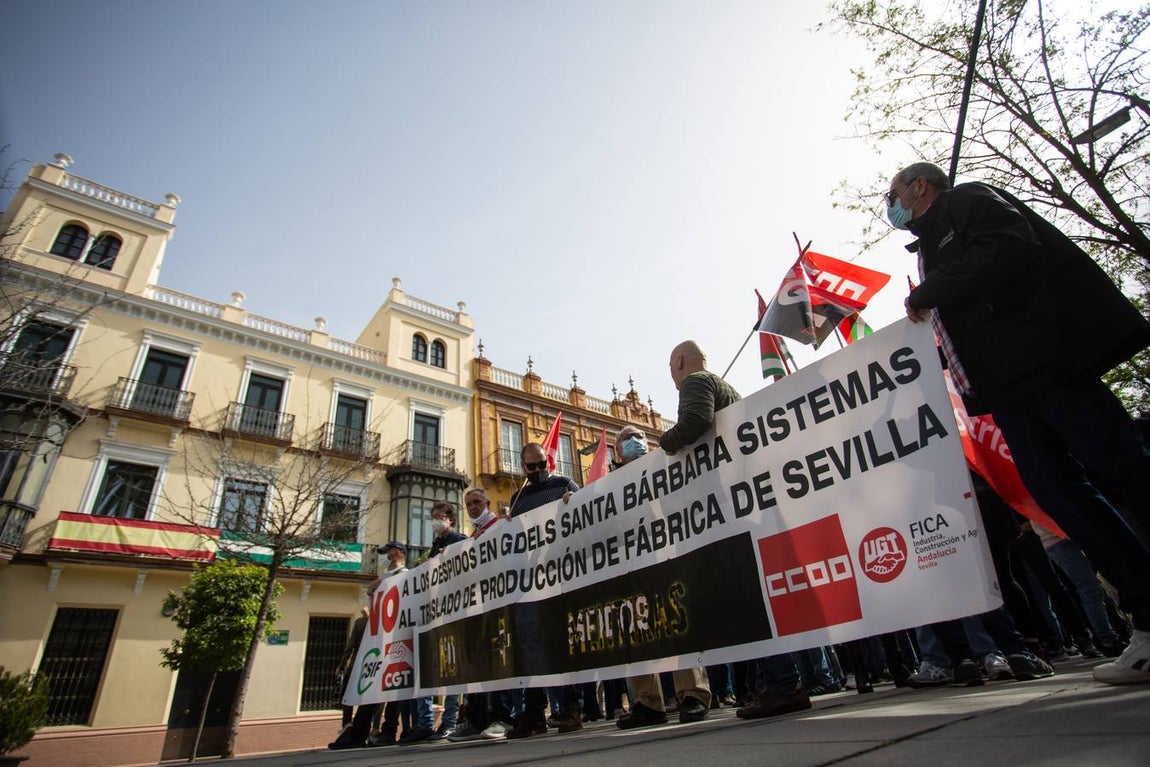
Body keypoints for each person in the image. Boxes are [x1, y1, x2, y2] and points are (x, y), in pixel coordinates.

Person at [889, 160, 1150, 685]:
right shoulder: (933, 243)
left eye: (892, 194)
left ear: (920, 187)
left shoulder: (968, 202)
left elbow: (1011, 248)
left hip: (1048, 366)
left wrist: (931, 291)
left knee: (1124, 470)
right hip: (1006, 392)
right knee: (1063, 497)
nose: (890, 206)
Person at [660, 340, 813, 719]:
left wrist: (667, 442)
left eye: (671, 367)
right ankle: (775, 684)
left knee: (749, 597)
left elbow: (695, 422)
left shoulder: (696, 382)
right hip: (745, 500)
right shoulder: (722, 385)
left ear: (680, 361)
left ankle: (782, 684)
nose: (672, 375)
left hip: (733, 507)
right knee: (755, 595)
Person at [608, 425, 712, 728]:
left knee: (678, 623)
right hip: (631, 565)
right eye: (627, 438)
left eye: (639, 436)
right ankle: (646, 703)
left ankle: (693, 694)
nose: (635, 442)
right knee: (636, 631)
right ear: (617, 450)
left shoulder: (666, 465)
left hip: (667, 557)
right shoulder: (607, 484)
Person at [505, 443, 583, 739]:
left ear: (548, 462)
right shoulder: (518, 498)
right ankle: (534, 714)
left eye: (541, 464)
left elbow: (587, 507)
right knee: (532, 648)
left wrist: (575, 500)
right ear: (523, 467)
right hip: (530, 582)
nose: (538, 471)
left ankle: (572, 709)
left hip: (562, 576)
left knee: (563, 644)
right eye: (531, 467)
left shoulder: (565, 483)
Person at [445, 488, 514, 742]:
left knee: (498, 660)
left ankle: (503, 718)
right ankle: (476, 720)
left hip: (499, 605)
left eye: (477, 502)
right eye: (468, 505)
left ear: (487, 503)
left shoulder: (502, 526)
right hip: (476, 608)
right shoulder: (472, 538)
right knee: (475, 662)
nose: (473, 507)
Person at [328, 542, 409, 750]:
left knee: (394, 687)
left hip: (395, 638)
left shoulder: (404, 575)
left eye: (388, 551)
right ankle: (359, 733)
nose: (385, 555)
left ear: (398, 553)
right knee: (373, 686)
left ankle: (387, 731)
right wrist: (372, 593)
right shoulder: (382, 578)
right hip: (379, 639)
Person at [401, 502, 469, 745]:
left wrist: (449, 556)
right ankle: (424, 724)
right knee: (427, 669)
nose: (435, 521)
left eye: (440, 516)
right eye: (433, 517)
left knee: (452, 668)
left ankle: (449, 722)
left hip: (453, 612)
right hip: (433, 613)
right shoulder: (433, 547)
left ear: (451, 519)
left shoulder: (459, 540)